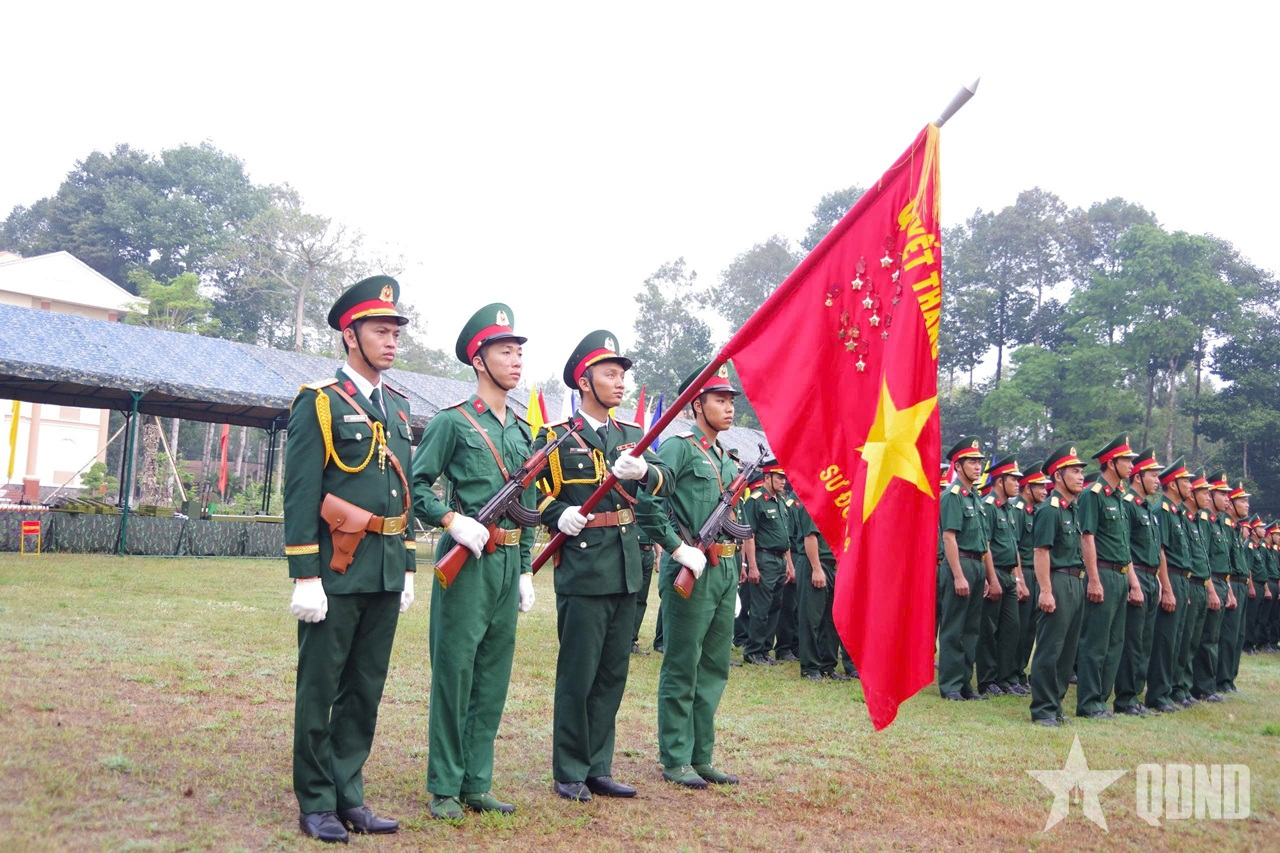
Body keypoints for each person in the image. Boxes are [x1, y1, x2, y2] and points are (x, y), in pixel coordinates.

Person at [284, 275, 414, 843]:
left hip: (383, 568)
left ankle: (348, 793)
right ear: (349, 335)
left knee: (364, 689)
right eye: (379, 331)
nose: (391, 342)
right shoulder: (320, 402)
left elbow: (403, 494)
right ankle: (316, 801)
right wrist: (304, 575)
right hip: (336, 571)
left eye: (395, 333)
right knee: (320, 687)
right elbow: (300, 493)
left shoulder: (399, 407)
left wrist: (407, 566)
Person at [410, 303, 536, 819]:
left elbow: (528, 504)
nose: (516, 360)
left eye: (519, 352)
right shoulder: (453, 422)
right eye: (505, 351)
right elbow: (417, 485)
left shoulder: (523, 431)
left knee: (492, 674)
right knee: (456, 670)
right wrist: (450, 520)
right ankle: (444, 785)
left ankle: (476, 782)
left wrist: (525, 567)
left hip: (506, 561)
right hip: (466, 560)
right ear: (479, 361)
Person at [533, 331, 670, 802]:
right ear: (584, 382)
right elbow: (529, 489)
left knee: (613, 672)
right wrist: (556, 514)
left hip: (626, 566)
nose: (620, 383)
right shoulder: (556, 436)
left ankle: (598, 766)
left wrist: (645, 471)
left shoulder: (632, 436)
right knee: (579, 673)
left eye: (622, 375)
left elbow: (665, 480)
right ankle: (570, 769)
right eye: (610, 374)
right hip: (585, 567)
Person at [637, 363, 742, 789]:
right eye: (720, 400)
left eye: (731, 400)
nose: (729, 408)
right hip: (690, 569)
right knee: (683, 664)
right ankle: (676, 757)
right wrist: (675, 548)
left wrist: (737, 571)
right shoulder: (678, 449)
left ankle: (702, 756)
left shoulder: (726, 458)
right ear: (697, 405)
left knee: (714, 667)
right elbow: (648, 506)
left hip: (724, 569)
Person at [1074, 436, 1138, 719]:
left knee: (1114, 643)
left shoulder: (1119, 497)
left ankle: (1101, 699)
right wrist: (1094, 579)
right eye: (1127, 460)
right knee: (1095, 642)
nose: (1131, 465)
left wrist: (1132, 582)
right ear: (1111, 463)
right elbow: (1087, 538)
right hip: (1103, 573)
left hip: (1120, 575)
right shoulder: (1094, 494)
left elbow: (1123, 544)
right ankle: (1089, 702)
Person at [1028, 444, 1087, 726]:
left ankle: (1056, 705)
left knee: (1067, 651)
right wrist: (1046, 591)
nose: (1080, 476)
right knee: (1050, 648)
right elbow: (1041, 551)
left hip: (1076, 581)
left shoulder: (1072, 510)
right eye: (1074, 471)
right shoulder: (1050, 511)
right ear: (1058, 476)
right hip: (1058, 580)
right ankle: (1043, 708)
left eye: (1080, 471)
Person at [936, 437, 999, 700]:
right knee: (954, 627)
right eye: (972, 462)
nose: (977, 466)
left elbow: (984, 542)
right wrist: (959, 575)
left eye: (979, 462)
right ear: (958, 466)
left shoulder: (976, 497)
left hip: (976, 564)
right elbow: (949, 537)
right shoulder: (952, 496)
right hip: (959, 563)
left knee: (971, 629)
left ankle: (964, 684)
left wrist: (988, 577)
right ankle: (950, 685)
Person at [1113, 447, 1175, 715]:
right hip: (1136, 575)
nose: (1157, 481)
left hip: (1150, 577)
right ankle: (1125, 698)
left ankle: (1135, 696)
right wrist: (1134, 582)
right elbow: (1124, 545)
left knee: (1145, 641)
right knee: (1132, 641)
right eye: (1152, 475)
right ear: (1138, 477)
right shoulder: (1128, 504)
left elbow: (1157, 551)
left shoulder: (1147, 508)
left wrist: (1160, 581)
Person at [1144, 458, 1195, 714]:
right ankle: (1158, 694)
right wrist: (1167, 588)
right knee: (1164, 640)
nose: (1190, 486)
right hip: (1170, 577)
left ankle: (1172, 689)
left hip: (1181, 579)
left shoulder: (1177, 513)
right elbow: (1161, 551)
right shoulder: (1162, 510)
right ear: (1173, 484)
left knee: (1178, 640)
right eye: (1186, 481)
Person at [976, 454, 1028, 697]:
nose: (1018, 483)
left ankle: (1005, 678)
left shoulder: (1009, 509)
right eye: (1013, 479)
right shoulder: (988, 506)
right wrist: (992, 579)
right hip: (995, 572)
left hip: (1009, 575)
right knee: (989, 629)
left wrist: (1019, 579)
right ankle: (987, 680)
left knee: (1011, 628)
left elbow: (1013, 547)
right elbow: (985, 545)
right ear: (999, 481)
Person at [741, 460, 796, 665]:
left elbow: (785, 536)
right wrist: (752, 566)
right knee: (761, 608)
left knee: (775, 607)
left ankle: (765, 650)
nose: (783, 481)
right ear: (767, 477)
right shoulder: (756, 501)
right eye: (779, 477)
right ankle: (753, 651)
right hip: (764, 558)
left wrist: (789, 564)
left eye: (784, 478)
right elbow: (749, 536)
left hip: (780, 560)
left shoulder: (781, 501)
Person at [1171, 470, 1217, 707]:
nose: (1208, 497)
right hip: (1187, 582)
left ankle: (1185, 687)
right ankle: (1177, 687)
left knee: (1192, 641)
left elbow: (1202, 558)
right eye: (1203, 492)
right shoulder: (1180, 517)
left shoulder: (1197, 521)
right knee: (1182, 640)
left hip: (1200, 584)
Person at [1191, 470, 1234, 702]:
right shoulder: (1205, 521)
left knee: (1213, 637)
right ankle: (1202, 687)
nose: (1227, 499)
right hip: (1209, 582)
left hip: (1219, 581)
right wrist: (1211, 589)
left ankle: (1209, 684)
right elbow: (1203, 558)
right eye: (1221, 494)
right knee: (1205, 638)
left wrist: (1228, 590)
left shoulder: (1218, 523)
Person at [1011, 461, 1050, 693]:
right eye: (1040, 486)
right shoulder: (1017, 510)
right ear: (1028, 488)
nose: (1045, 490)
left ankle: (1019, 672)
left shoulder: (1036, 512)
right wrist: (1019, 579)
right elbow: (1014, 547)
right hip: (1023, 571)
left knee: (1030, 630)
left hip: (1036, 573)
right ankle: (1011, 673)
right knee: (1019, 627)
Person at [1217, 479, 1251, 694]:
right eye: (1242, 501)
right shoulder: (1225, 526)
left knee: (1238, 636)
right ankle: (1221, 680)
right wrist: (1229, 591)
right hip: (1231, 584)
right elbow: (1225, 562)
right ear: (1231, 503)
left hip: (1241, 585)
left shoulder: (1236, 528)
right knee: (1228, 636)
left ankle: (1230, 679)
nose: (1247, 505)